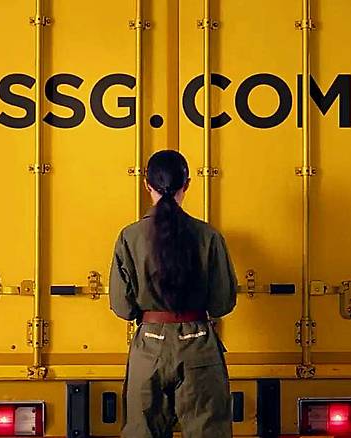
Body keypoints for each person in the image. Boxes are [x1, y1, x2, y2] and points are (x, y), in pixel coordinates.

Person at [109, 150, 238, 438]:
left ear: (147, 185)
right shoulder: (209, 236)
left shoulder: (129, 237)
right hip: (199, 345)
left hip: (149, 347)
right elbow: (222, 303)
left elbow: (122, 307)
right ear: (187, 184)